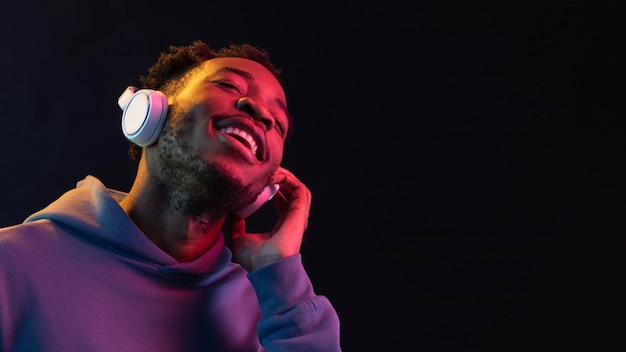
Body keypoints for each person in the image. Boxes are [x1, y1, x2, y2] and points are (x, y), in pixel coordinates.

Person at [0, 40, 341, 351]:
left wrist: (281, 278)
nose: (261, 114)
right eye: (229, 85)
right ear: (148, 111)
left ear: (265, 188)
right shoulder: (11, 264)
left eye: (277, 122)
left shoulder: (274, 315)